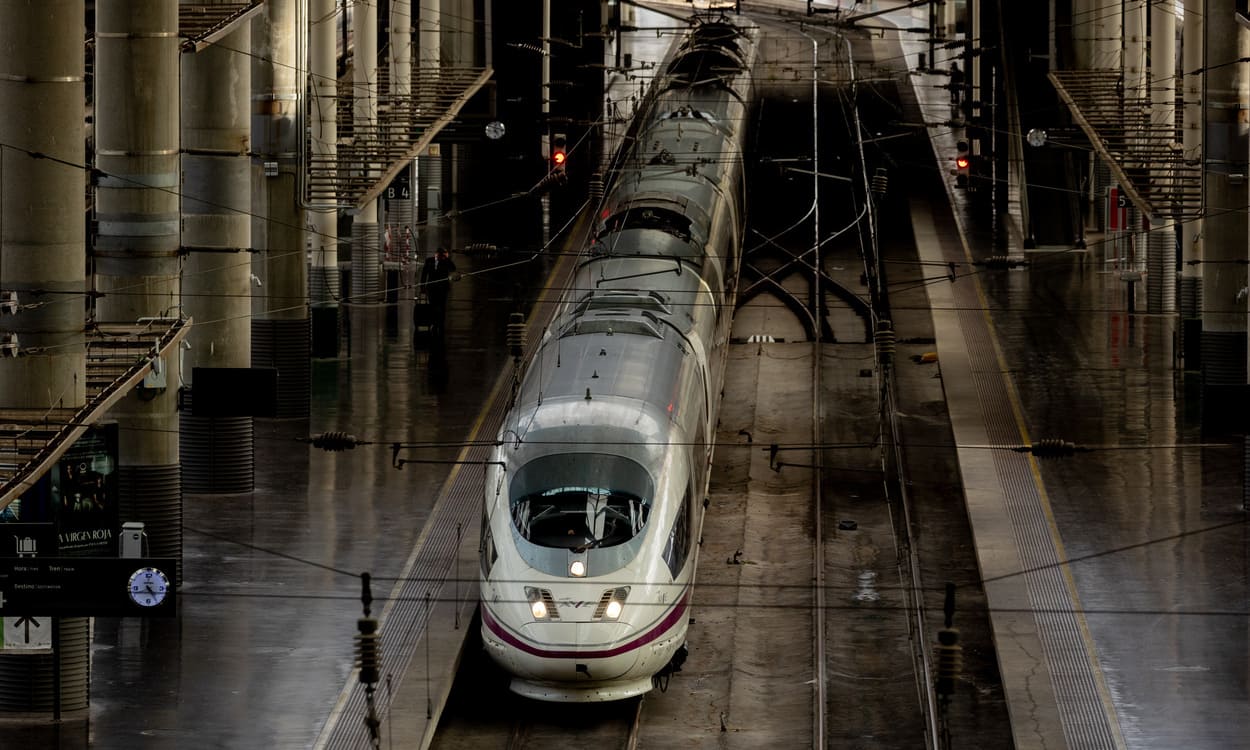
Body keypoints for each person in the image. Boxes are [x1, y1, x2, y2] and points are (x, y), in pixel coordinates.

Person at [419, 246, 457, 337]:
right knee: (433, 306)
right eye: (441, 255)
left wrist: (447, 259)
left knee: (442, 306)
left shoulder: (446, 261)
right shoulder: (429, 261)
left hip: (443, 288)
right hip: (432, 288)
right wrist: (422, 287)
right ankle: (434, 323)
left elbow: (453, 268)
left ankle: (441, 324)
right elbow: (424, 274)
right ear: (437, 254)